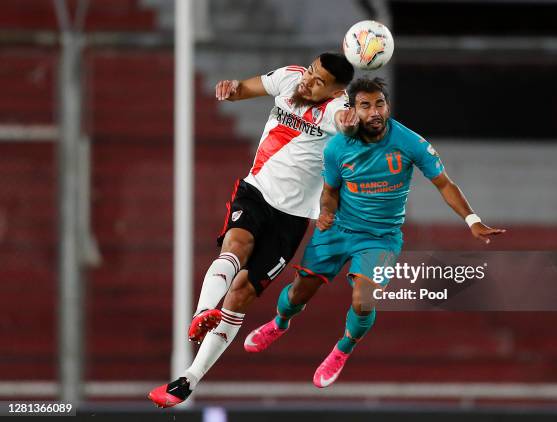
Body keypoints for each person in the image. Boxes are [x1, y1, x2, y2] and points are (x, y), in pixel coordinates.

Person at [244, 77, 506, 388]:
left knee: (363, 301)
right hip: (338, 229)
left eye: (379, 104)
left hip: (380, 237)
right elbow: (329, 191)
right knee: (300, 291)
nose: (375, 112)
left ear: (387, 105)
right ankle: (280, 322)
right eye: (365, 106)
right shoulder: (337, 147)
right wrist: (325, 213)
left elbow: (445, 184)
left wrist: (472, 219)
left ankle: (343, 349)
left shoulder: (410, 142)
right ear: (352, 110)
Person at [148, 53, 356, 407]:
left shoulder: (339, 111)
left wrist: (357, 123)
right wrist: (231, 90)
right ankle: (202, 314)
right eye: (310, 71)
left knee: (242, 292)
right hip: (255, 191)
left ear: (336, 91)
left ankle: (188, 379)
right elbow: (247, 88)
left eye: (319, 81)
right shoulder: (290, 78)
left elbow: (354, 128)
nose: (308, 81)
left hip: (291, 219)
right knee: (235, 244)